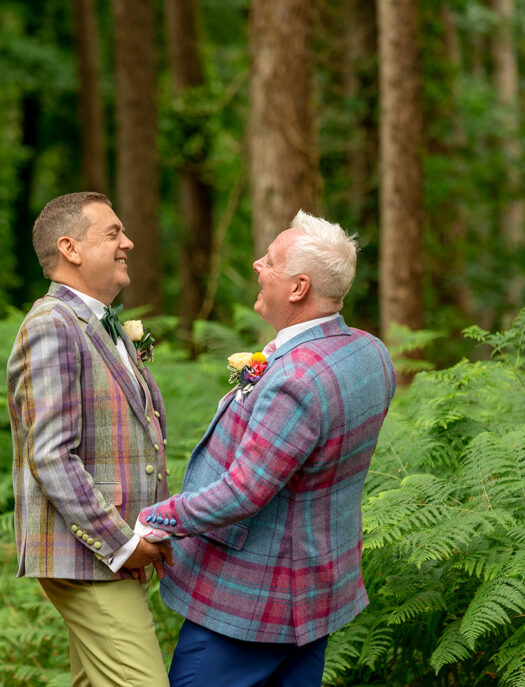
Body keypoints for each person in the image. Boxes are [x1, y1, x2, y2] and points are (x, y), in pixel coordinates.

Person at [136, 210, 396, 686]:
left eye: (270, 262)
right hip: (320, 589)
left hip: (257, 601)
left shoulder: (296, 379)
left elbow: (242, 493)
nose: (257, 265)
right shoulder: (369, 352)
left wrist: (154, 519)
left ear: (298, 288)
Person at [7, 191, 174, 687]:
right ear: (70, 249)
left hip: (104, 556)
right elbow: (52, 456)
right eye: (113, 233)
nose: (129, 242)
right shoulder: (52, 325)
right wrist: (122, 543)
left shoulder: (105, 325)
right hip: (87, 557)